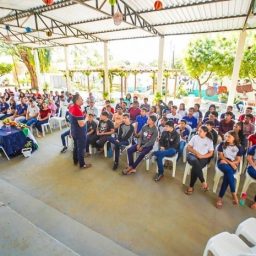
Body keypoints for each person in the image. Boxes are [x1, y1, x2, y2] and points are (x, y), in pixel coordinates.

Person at [215, 130, 243, 209]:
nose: (227, 138)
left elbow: (238, 159)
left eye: (229, 136)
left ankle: (220, 198)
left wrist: (233, 163)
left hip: (232, 164)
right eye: (226, 136)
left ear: (234, 138)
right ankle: (234, 194)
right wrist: (231, 163)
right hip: (222, 163)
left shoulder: (239, 147)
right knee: (228, 171)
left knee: (227, 177)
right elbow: (221, 156)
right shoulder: (222, 144)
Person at [184, 126, 214, 195]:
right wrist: (197, 153)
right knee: (195, 161)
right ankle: (203, 182)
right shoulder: (195, 137)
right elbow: (189, 147)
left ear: (205, 133)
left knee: (195, 168)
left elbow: (211, 153)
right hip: (192, 155)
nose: (198, 132)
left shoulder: (209, 141)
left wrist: (202, 156)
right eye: (198, 130)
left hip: (203, 158)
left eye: (200, 131)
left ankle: (191, 187)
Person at [69, 94, 91, 169]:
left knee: (76, 147)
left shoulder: (72, 107)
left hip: (74, 131)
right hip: (80, 133)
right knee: (81, 148)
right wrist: (86, 119)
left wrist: (83, 115)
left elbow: (74, 120)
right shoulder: (77, 110)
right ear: (77, 100)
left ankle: (75, 160)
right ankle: (82, 164)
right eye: (81, 99)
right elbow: (81, 124)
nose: (83, 100)